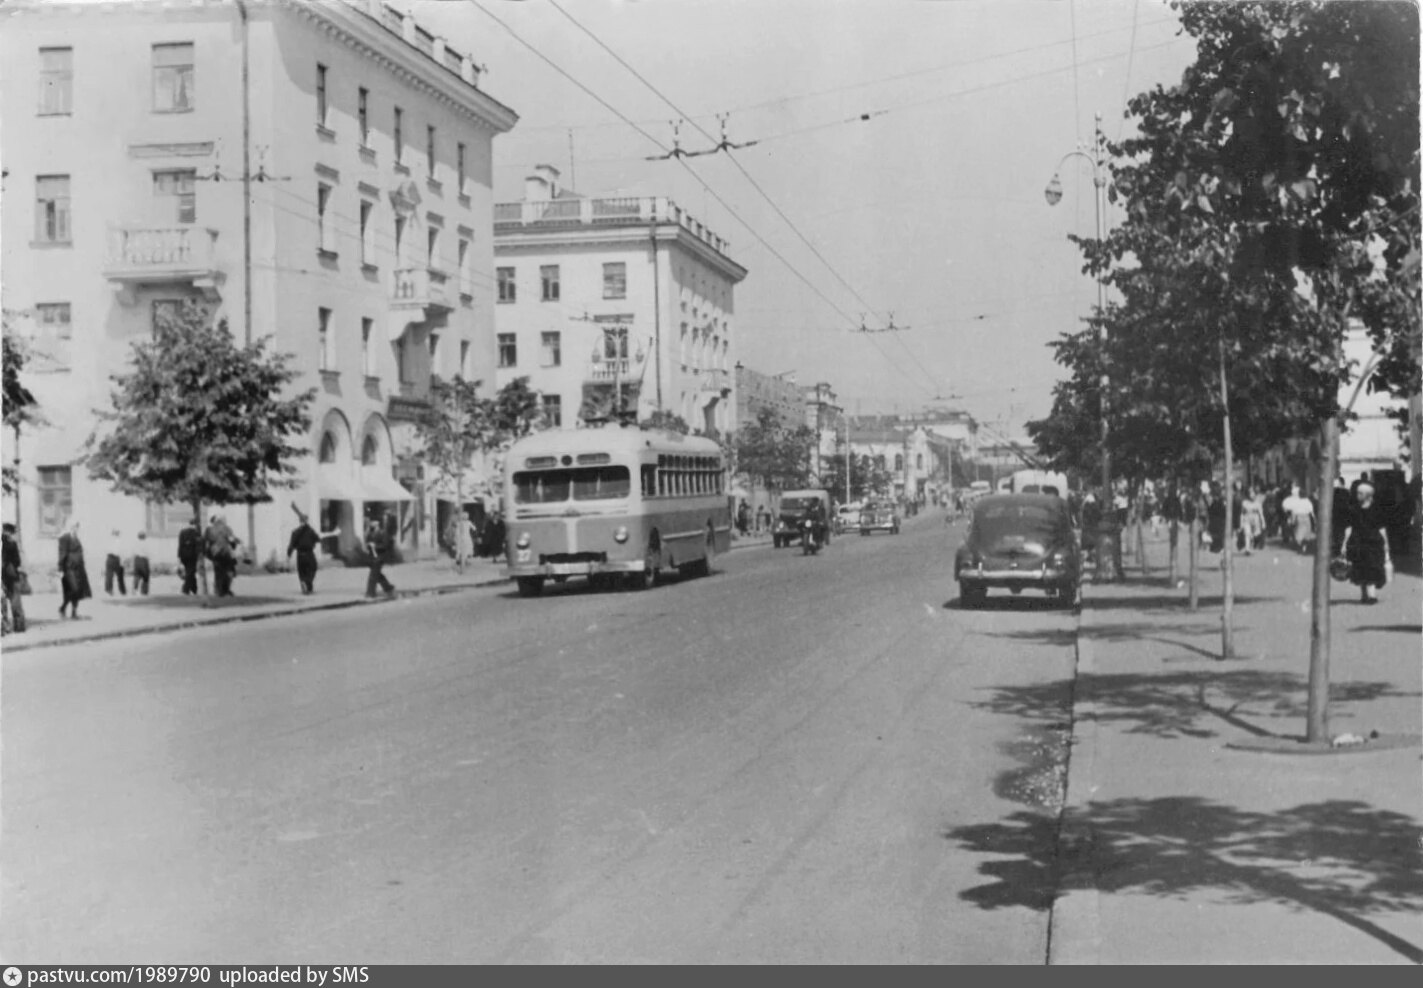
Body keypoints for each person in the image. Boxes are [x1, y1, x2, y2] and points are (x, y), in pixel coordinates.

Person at [1341, 480, 1392, 605]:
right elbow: (1349, 528)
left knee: (1373, 568)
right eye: (1357, 492)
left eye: (1360, 493)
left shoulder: (1377, 510)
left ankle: (1372, 595)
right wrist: (1344, 544)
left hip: (1373, 543)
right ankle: (1364, 595)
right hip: (1357, 542)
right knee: (1360, 568)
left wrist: (1386, 544)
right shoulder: (1353, 510)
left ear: (1368, 495)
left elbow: (1382, 529)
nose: (1357, 495)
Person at [287, 512, 337, 595]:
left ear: (300, 521)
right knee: (312, 568)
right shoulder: (310, 531)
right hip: (309, 553)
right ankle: (308, 584)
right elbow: (318, 539)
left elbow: (291, 544)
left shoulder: (295, 532)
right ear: (307, 520)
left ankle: (304, 583)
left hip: (300, 555)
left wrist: (288, 555)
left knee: (302, 571)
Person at [57, 520, 92, 619]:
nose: (76, 528)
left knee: (79, 590)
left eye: (77, 526)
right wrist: (60, 568)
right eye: (73, 526)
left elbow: (80, 552)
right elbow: (62, 553)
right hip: (69, 568)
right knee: (74, 589)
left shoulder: (77, 538)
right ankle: (63, 608)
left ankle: (74, 612)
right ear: (69, 527)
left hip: (79, 568)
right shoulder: (65, 538)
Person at [204, 514, 239, 597]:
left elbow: (206, 542)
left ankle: (218, 591)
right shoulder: (226, 529)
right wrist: (234, 545)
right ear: (222, 521)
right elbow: (232, 540)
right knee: (228, 571)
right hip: (225, 553)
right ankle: (225, 590)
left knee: (218, 572)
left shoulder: (209, 530)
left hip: (215, 553)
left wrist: (208, 554)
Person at [2, 523, 26, 635]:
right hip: (12, 577)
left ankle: (5, 627)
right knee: (16, 602)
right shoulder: (12, 544)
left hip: (5, 577)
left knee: (3, 603)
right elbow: (18, 561)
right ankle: (19, 626)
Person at [364, 515, 396, 598]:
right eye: (372, 522)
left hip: (380, 557)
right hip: (372, 557)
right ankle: (388, 587)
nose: (372, 524)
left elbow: (385, 545)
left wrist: (375, 546)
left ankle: (370, 593)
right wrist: (369, 545)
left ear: (378, 524)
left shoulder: (383, 533)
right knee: (377, 575)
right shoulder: (370, 532)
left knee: (373, 575)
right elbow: (367, 542)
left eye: (374, 522)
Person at [1282, 485, 1315, 553]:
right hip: (1306, 517)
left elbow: (1293, 510)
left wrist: (1292, 519)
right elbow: (1311, 511)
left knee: (1298, 532)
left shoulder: (1296, 501)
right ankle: (1304, 547)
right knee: (1306, 533)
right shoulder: (1308, 501)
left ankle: (1300, 546)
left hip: (1299, 517)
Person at [177, 517, 202, 595]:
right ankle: (185, 589)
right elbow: (198, 546)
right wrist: (200, 555)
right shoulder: (196, 533)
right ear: (196, 525)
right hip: (192, 555)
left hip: (183, 556)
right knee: (190, 572)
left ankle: (194, 588)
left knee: (190, 572)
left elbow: (180, 545)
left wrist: (179, 556)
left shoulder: (182, 532)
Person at [104, 528, 128, 596]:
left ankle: (109, 590)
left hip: (109, 558)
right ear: (117, 534)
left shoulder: (108, 540)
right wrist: (122, 562)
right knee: (120, 576)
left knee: (109, 575)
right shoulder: (119, 541)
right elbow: (121, 552)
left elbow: (105, 550)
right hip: (116, 559)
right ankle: (122, 591)